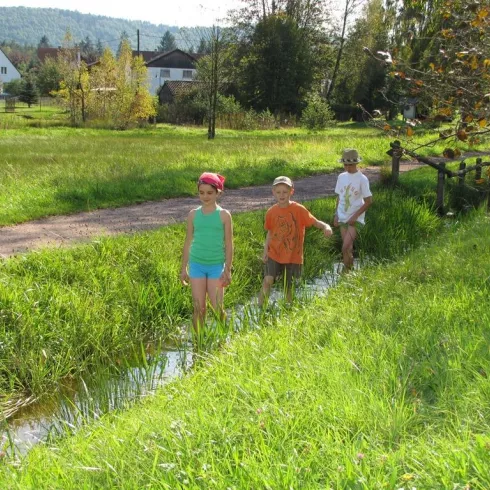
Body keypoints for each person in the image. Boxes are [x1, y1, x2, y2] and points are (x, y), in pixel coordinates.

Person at [258, 176, 332, 305]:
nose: (282, 195)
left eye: (285, 192)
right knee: (268, 280)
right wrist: (265, 251)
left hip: (293, 255)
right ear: (273, 192)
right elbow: (270, 232)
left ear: (291, 192)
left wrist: (326, 226)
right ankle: (259, 308)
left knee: (288, 286)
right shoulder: (271, 212)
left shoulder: (299, 209)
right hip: (274, 253)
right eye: (278, 192)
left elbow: (314, 222)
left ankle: (288, 309)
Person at [180, 172, 233, 332]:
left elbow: (229, 244)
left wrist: (228, 269)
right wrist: (184, 268)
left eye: (210, 192)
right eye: (201, 192)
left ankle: (225, 339)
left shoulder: (224, 215)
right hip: (197, 265)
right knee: (199, 309)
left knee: (217, 307)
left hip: (216, 266)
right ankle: (198, 344)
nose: (205, 196)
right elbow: (188, 241)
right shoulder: (193, 214)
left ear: (218, 192)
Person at [334, 149, 373, 272]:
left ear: (356, 164)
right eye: (345, 164)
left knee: (344, 247)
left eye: (350, 165)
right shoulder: (341, 177)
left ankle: (346, 271)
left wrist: (355, 217)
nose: (347, 167)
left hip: (355, 218)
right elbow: (339, 196)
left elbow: (369, 201)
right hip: (342, 216)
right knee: (348, 248)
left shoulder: (362, 179)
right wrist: (336, 215)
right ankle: (349, 273)